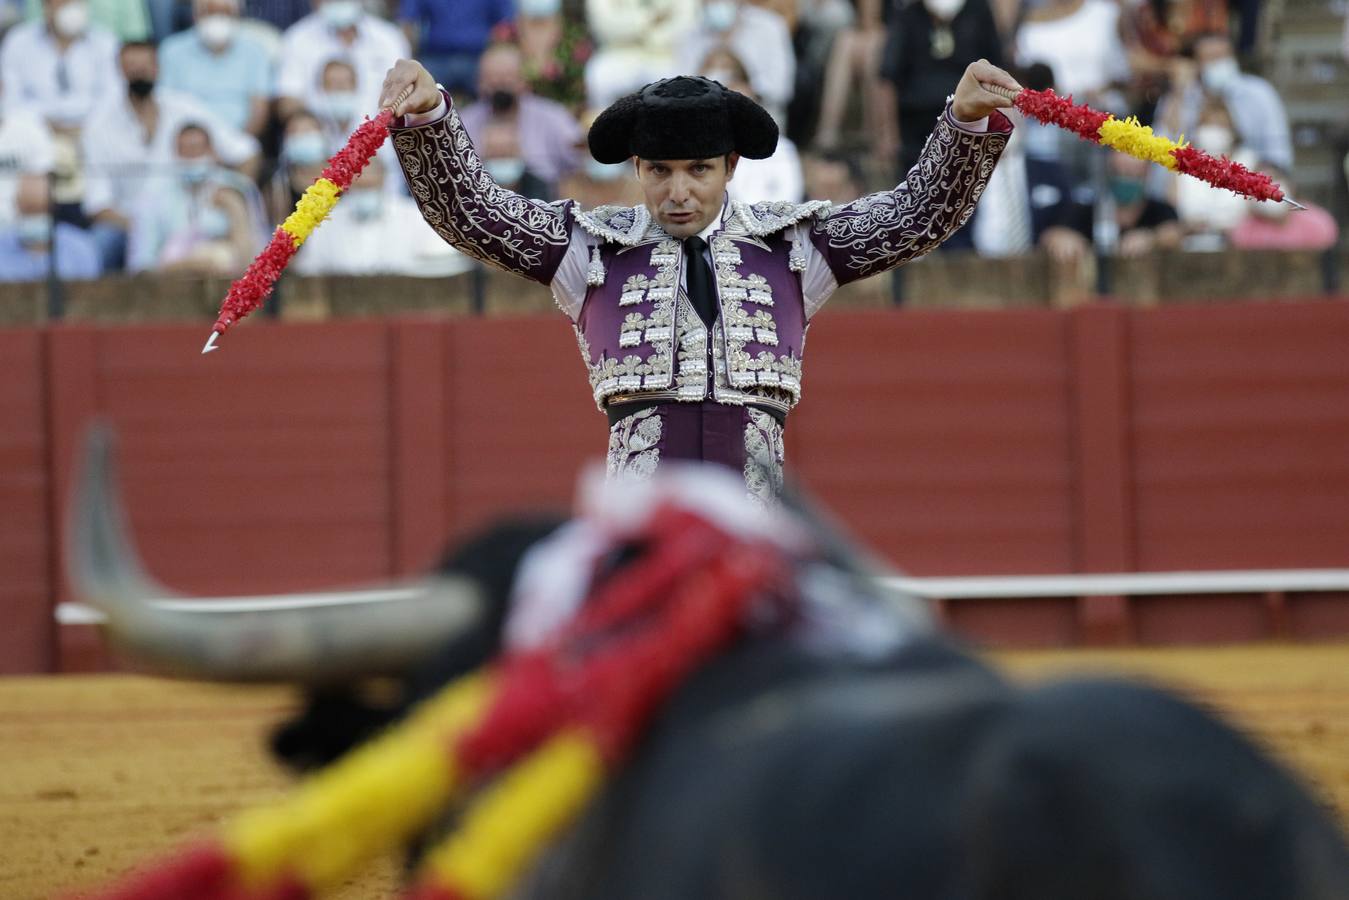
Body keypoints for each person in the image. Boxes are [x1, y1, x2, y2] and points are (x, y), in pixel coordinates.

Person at [379, 57, 1017, 499]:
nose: (677, 192)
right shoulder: (590, 249)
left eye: (698, 170)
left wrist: (962, 121)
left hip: (754, 525)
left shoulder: (793, 245)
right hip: (642, 530)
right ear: (636, 167)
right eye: (659, 171)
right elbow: (472, 213)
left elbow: (918, 217)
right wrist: (432, 114)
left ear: (731, 166)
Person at [82, 40, 260, 270]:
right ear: (119, 70)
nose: (139, 74)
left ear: (157, 68)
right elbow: (97, 205)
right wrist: (147, 222)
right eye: (132, 67)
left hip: (193, 213)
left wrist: (232, 192)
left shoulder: (184, 108)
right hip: (131, 223)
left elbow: (246, 152)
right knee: (99, 242)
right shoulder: (99, 125)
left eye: (145, 67)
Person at [880, 0, 1005, 178]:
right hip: (916, 128)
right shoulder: (908, 14)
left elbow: (996, 68)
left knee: (963, 193)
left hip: (967, 125)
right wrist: (888, 133)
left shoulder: (978, 10)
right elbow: (888, 75)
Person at [126, 121, 264, 274]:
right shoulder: (154, 197)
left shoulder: (238, 187)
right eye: (185, 151)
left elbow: (256, 252)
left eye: (197, 150)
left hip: (230, 280)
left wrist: (233, 206)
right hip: (171, 282)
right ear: (175, 153)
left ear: (211, 151)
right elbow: (142, 261)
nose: (192, 158)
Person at [458, 42, 582, 200]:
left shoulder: (553, 117)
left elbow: (579, 160)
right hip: (481, 206)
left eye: (507, 77)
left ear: (524, 81)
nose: (499, 84)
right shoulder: (463, 123)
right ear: (479, 83)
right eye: (491, 78)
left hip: (545, 205)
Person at [276, 0, 410, 120]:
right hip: (322, 143)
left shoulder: (390, 38)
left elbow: (406, 96)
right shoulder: (296, 39)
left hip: (381, 142)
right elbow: (287, 102)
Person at [158, 0, 274, 138]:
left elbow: (259, 109)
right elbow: (165, 103)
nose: (217, 18)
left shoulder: (255, 51)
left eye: (224, 12)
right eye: (210, 12)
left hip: (240, 140)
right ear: (195, 15)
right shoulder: (172, 50)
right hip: (185, 140)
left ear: (237, 15)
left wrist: (239, 145)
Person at [0, 0, 120, 132]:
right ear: (46, 5)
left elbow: (113, 97)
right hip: (34, 133)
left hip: (94, 132)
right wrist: (45, 126)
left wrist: (86, 128)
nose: (71, 5)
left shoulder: (105, 43)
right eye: (64, 1)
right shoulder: (18, 42)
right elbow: (11, 99)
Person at [0, 169, 100, 280]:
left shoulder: (79, 247)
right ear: (17, 205)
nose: (34, 217)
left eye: (40, 210)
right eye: (28, 210)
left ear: (53, 207)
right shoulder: (2, 247)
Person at [1228, 164, 1338, 252]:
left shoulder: (1317, 223)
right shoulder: (1245, 231)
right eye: (1257, 184)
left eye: (1272, 180)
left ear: (1290, 186)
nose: (1266, 189)